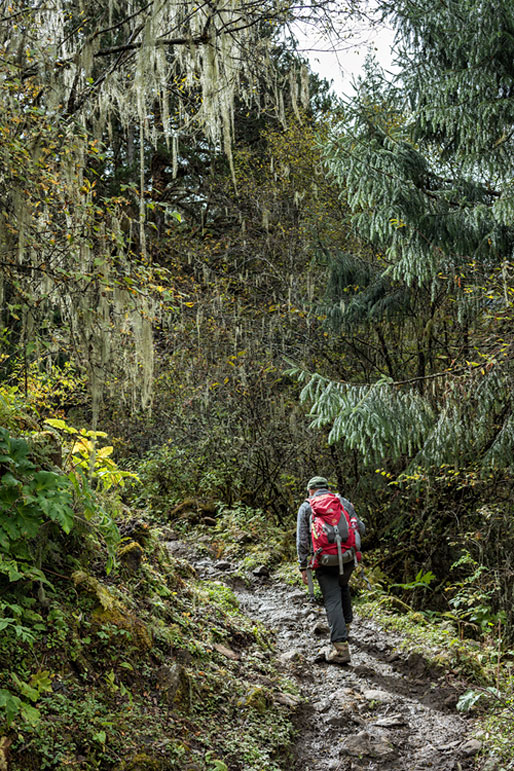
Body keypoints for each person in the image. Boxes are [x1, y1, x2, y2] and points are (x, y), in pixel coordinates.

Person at [296, 475, 365, 664]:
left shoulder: (306, 507)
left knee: (332, 598)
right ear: (327, 488)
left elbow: (302, 540)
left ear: (311, 490)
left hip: (324, 560)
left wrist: (303, 566)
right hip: (348, 558)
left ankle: (341, 649)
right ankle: (346, 626)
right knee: (343, 587)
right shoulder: (342, 501)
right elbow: (360, 528)